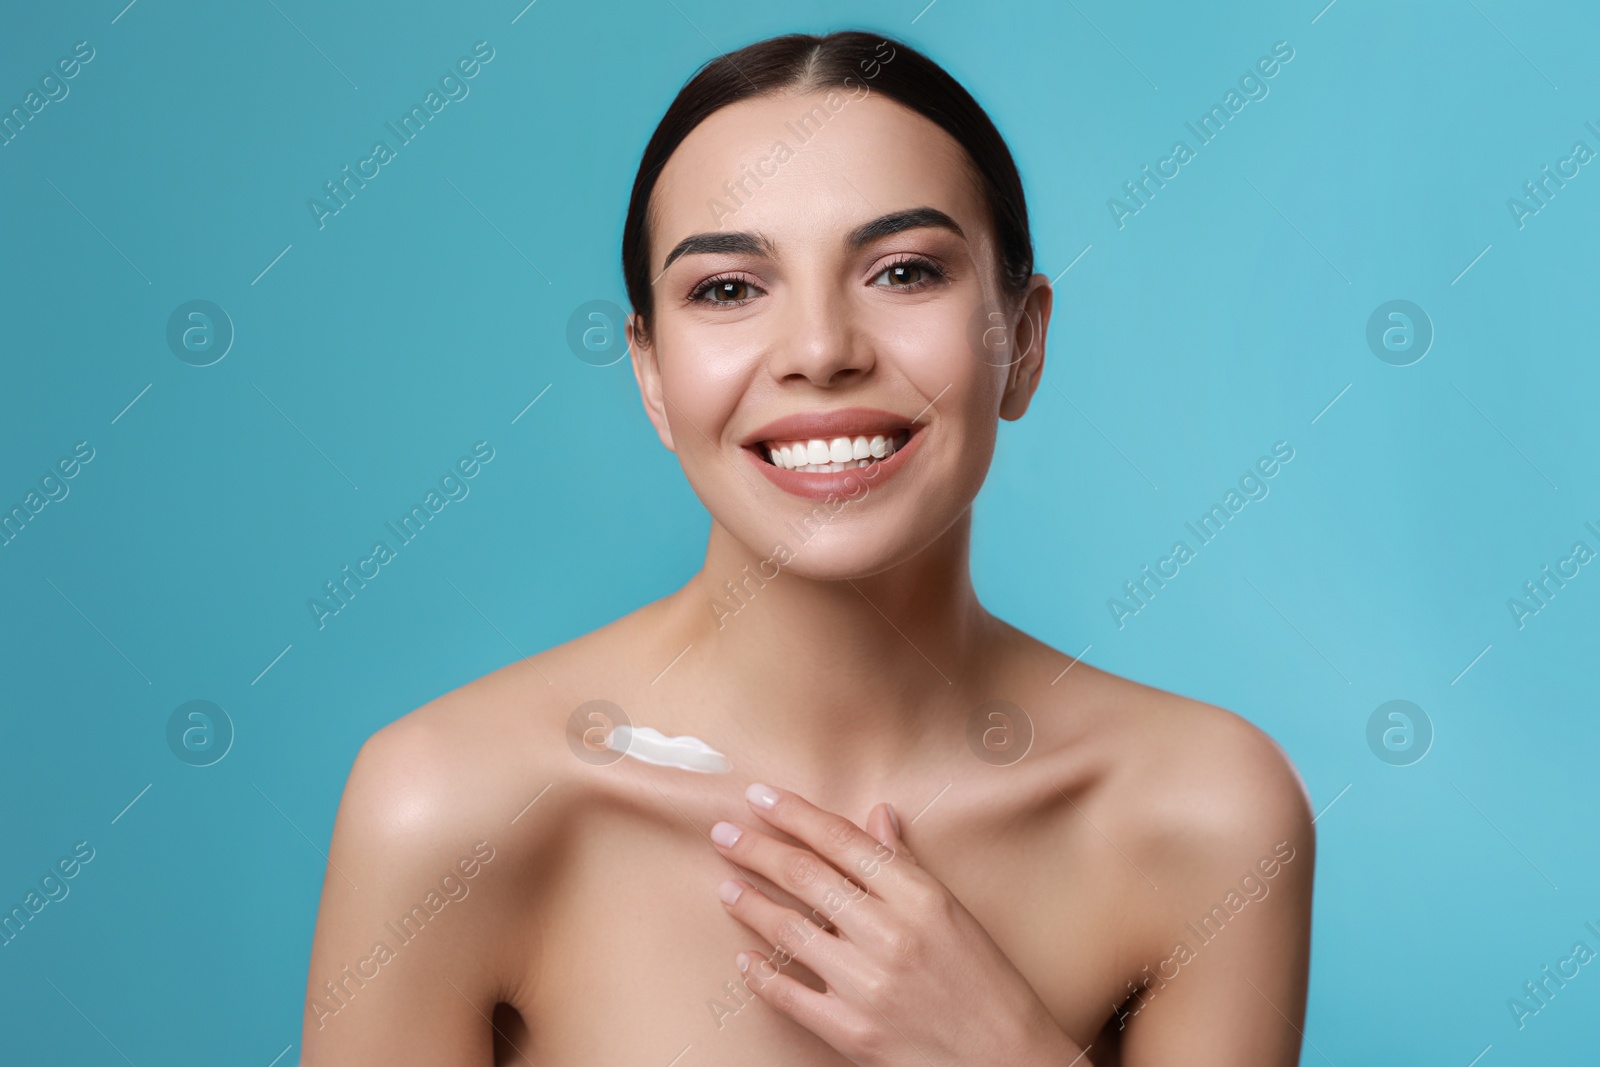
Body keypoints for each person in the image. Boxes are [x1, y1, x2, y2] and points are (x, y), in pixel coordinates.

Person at [300, 29, 1314, 1066]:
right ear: (649, 373)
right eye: (728, 289)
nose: (822, 349)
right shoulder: (448, 808)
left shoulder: (1203, 812)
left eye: (904, 270)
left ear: (1023, 338)